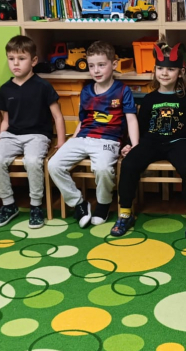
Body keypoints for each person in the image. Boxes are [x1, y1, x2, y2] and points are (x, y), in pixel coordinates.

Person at [111, 43, 186, 239]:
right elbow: (140, 125)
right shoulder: (149, 99)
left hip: (179, 142)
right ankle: (125, 213)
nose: (164, 73)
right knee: (128, 164)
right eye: (160, 68)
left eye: (170, 69)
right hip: (151, 142)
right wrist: (129, 143)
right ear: (155, 71)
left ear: (180, 72)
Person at [48, 41, 138, 227]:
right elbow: (83, 120)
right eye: (91, 66)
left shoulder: (123, 90)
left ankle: (103, 204)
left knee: (103, 169)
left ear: (114, 64)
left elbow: (131, 120)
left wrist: (135, 146)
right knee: (54, 164)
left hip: (109, 140)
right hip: (83, 137)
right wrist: (73, 139)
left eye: (101, 65)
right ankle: (79, 204)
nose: (96, 70)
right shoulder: (86, 91)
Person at [0, 35, 66, 229]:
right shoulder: (5, 89)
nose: (15, 63)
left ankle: (36, 205)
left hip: (37, 136)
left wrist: (61, 142)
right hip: (11, 135)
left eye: (21, 58)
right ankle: (8, 205)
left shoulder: (43, 86)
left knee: (32, 161)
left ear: (33, 61)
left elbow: (57, 116)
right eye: (11, 58)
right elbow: (5, 120)